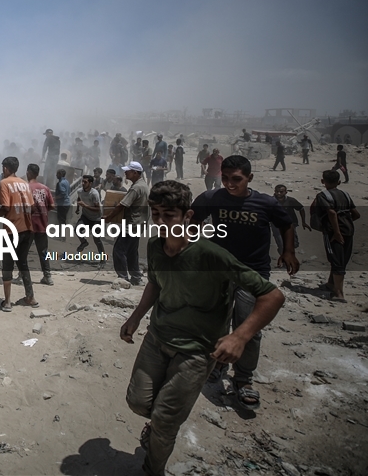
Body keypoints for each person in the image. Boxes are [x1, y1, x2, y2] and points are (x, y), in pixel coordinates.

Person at [121, 180, 285, 476]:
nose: (160, 221)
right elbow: (155, 283)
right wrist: (135, 317)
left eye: (168, 214)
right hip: (158, 339)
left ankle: (152, 468)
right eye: (155, 213)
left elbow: (272, 295)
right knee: (137, 402)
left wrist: (240, 336)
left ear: (187, 215)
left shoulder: (211, 255)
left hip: (197, 351)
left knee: (166, 423)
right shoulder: (155, 246)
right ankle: (157, 423)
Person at [190, 155, 297, 411]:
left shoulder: (265, 202)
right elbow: (191, 223)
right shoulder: (211, 198)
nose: (229, 184)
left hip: (254, 273)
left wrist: (289, 251)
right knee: (217, 322)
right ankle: (218, 364)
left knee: (249, 328)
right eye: (225, 178)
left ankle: (243, 380)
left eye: (236, 179)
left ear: (249, 178)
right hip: (219, 272)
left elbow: (286, 225)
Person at [0, 157, 37, 312]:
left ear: (5, 168)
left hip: (12, 231)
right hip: (27, 230)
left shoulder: (4, 183)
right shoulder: (25, 183)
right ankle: (30, 297)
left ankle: (8, 302)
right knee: (22, 263)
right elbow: (32, 208)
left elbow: (5, 208)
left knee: (7, 265)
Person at [313, 170, 359, 302]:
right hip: (349, 230)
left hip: (333, 233)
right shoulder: (345, 194)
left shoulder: (323, 195)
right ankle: (330, 283)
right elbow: (356, 214)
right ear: (339, 182)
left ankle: (339, 293)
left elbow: (331, 213)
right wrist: (346, 224)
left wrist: (337, 232)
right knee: (342, 258)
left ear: (323, 181)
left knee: (336, 260)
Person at [103, 161, 149, 285]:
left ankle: (123, 278)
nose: (125, 173)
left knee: (119, 250)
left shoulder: (135, 188)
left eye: (128, 171)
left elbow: (122, 205)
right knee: (132, 252)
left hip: (132, 225)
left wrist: (109, 217)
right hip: (139, 224)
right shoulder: (143, 185)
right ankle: (136, 277)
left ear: (135, 172)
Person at [26, 163, 56, 285]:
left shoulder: (26, 187)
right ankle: (47, 277)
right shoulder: (45, 188)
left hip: (28, 225)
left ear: (28, 172)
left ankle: (21, 275)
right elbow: (52, 206)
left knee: (22, 252)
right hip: (42, 224)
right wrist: (42, 211)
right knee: (43, 252)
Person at [74, 174, 105, 259]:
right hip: (86, 216)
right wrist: (78, 208)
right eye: (82, 181)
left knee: (97, 239)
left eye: (85, 182)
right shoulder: (80, 191)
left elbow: (97, 209)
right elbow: (79, 199)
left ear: (90, 183)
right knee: (77, 229)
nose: (83, 183)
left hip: (96, 219)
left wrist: (85, 206)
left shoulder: (94, 194)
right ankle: (84, 242)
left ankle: (102, 259)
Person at [270, 184, 308, 252]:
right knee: (281, 244)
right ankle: (284, 258)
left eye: (281, 192)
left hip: (290, 224)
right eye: (277, 191)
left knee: (294, 244)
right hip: (276, 226)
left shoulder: (291, 200)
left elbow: (301, 209)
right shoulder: (271, 201)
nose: (278, 193)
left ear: (285, 192)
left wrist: (303, 222)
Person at [52, 168, 72, 232]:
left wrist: (55, 198)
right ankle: (61, 235)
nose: (56, 175)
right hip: (67, 203)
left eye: (57, 174)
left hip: (62, 204)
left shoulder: (60, 183)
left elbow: (63, 194)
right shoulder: (66, 181)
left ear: (60, 174)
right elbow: (68, 191)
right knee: (62, 219)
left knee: (61, 219)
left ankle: (62, 236)